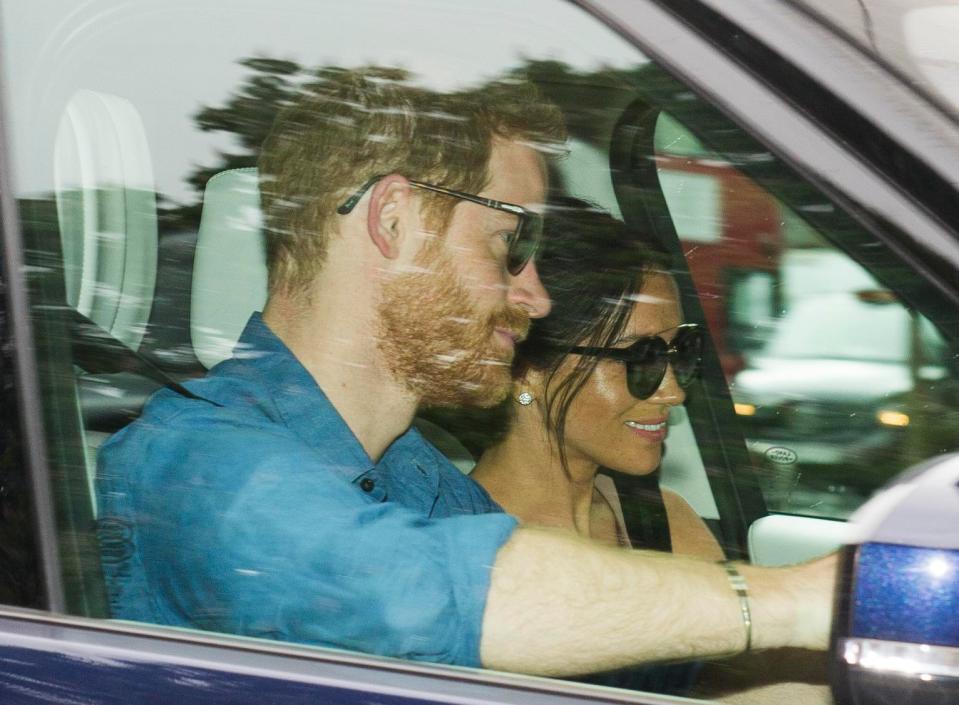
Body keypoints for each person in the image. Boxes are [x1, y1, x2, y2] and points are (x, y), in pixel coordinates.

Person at [96, 66, 836, 678]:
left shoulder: (417, 476)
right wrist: (798, 600)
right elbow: (441, 598)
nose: (535, 296)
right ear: (393, 220)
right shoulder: (194, 463)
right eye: (510, 245)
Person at [472, 199, 723, 563]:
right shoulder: (467, 549)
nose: (674, 393)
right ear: (526, 370)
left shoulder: (664, 523)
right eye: (639, 357)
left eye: (679, 351)